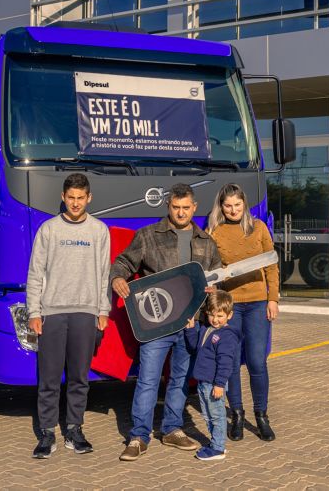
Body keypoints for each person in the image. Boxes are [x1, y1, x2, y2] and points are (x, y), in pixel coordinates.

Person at [111, 183, 223, 461]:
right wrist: (117, 277)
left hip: (190, 323)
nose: (181, 212)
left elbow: (217, 278)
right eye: (176, 207)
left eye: (186, 208)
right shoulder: (148, 235)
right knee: (148, 380)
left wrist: (213, 291)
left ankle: (172, 429)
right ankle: (139, 436)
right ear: (168, 206)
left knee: (181, 379)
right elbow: (124, 262)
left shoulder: (206, 242)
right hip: (157, 324)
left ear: (194, 208)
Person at [26, 173, 111, 459]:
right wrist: (34, 312)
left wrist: (102, 310)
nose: (75, 203)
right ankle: (47, 433)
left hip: (86, 313)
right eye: (71, 198)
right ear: (63, 198)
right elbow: (35, 273)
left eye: (81, 198)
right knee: (49, 379)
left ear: (89, 199)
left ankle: (74, 429)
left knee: (79, 378)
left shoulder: (99, 231)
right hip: (52, 313)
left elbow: (104, 274)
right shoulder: (48, 230)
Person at [205, 183, 279, 442]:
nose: (233, 210)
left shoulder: (258, 228)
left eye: (238, 205)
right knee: (232, 363)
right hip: (231, 306)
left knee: (258, 362)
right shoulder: (214, 231)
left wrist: (273, 299)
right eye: (228, 205)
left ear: (244, 204)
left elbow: (271, 265)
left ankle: (261, 416)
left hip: (258, 304)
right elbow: (210, 270)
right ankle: (236, 415)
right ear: (221, 206)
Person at [184, 291, 240, 461]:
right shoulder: (206, 329)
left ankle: (218, 448)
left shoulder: (227, 336)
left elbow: (225, 363)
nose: (215, 319)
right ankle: (215, 442)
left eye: (220, 316)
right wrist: (191, 329)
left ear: (229, 315)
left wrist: (219, 384)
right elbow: (195, 347)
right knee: (208, 415)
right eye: (211, 314)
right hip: (203, 382)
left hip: (214, 384)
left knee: (217, 416)